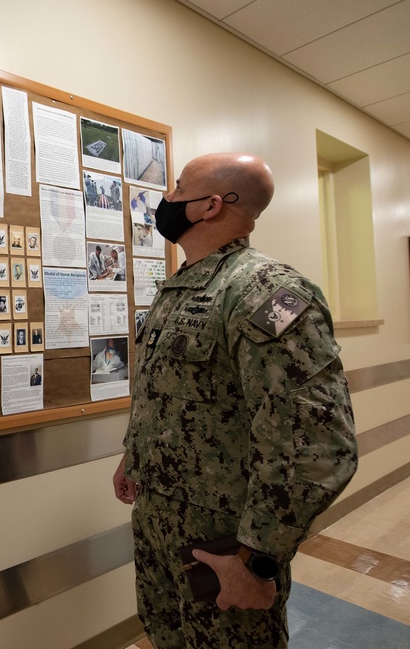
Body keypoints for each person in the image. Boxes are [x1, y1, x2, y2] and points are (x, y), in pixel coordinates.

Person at [111, 152, 358, 648]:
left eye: (177, 188)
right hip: (162, 524)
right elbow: (175, 397)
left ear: (209, 206)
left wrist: (258, 558)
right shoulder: (181, 289)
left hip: (225, 542)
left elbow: (315, 443)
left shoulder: (266, 291)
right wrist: (132, 457)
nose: (166, 199)